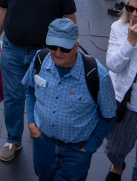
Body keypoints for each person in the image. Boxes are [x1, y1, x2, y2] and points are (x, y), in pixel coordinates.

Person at [0, 0, 77, 162]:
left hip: (44, 54)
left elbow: (70, 20)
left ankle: (42, 137)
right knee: (12, 97)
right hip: (12, 50)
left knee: (44, 97)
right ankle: (13, 139)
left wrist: (71, 50)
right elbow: (2, 9)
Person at [24, 18, 116, 180]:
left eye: (65, 48)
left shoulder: (97, 75)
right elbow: (30, 89)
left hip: (76, 153)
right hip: (43, 145)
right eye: (53, 46)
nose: (58, 53)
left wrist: (90, 146)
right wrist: (32, 122)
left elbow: (109, 116)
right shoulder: (40, 59)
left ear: (76, 46)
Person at [103, 0, 137, 181]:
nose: (134, 14)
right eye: (130, 8)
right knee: (114, 149)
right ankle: (117, 165)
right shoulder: (118, 28)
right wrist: (130, 42)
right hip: (125, 99)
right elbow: (113, 65)